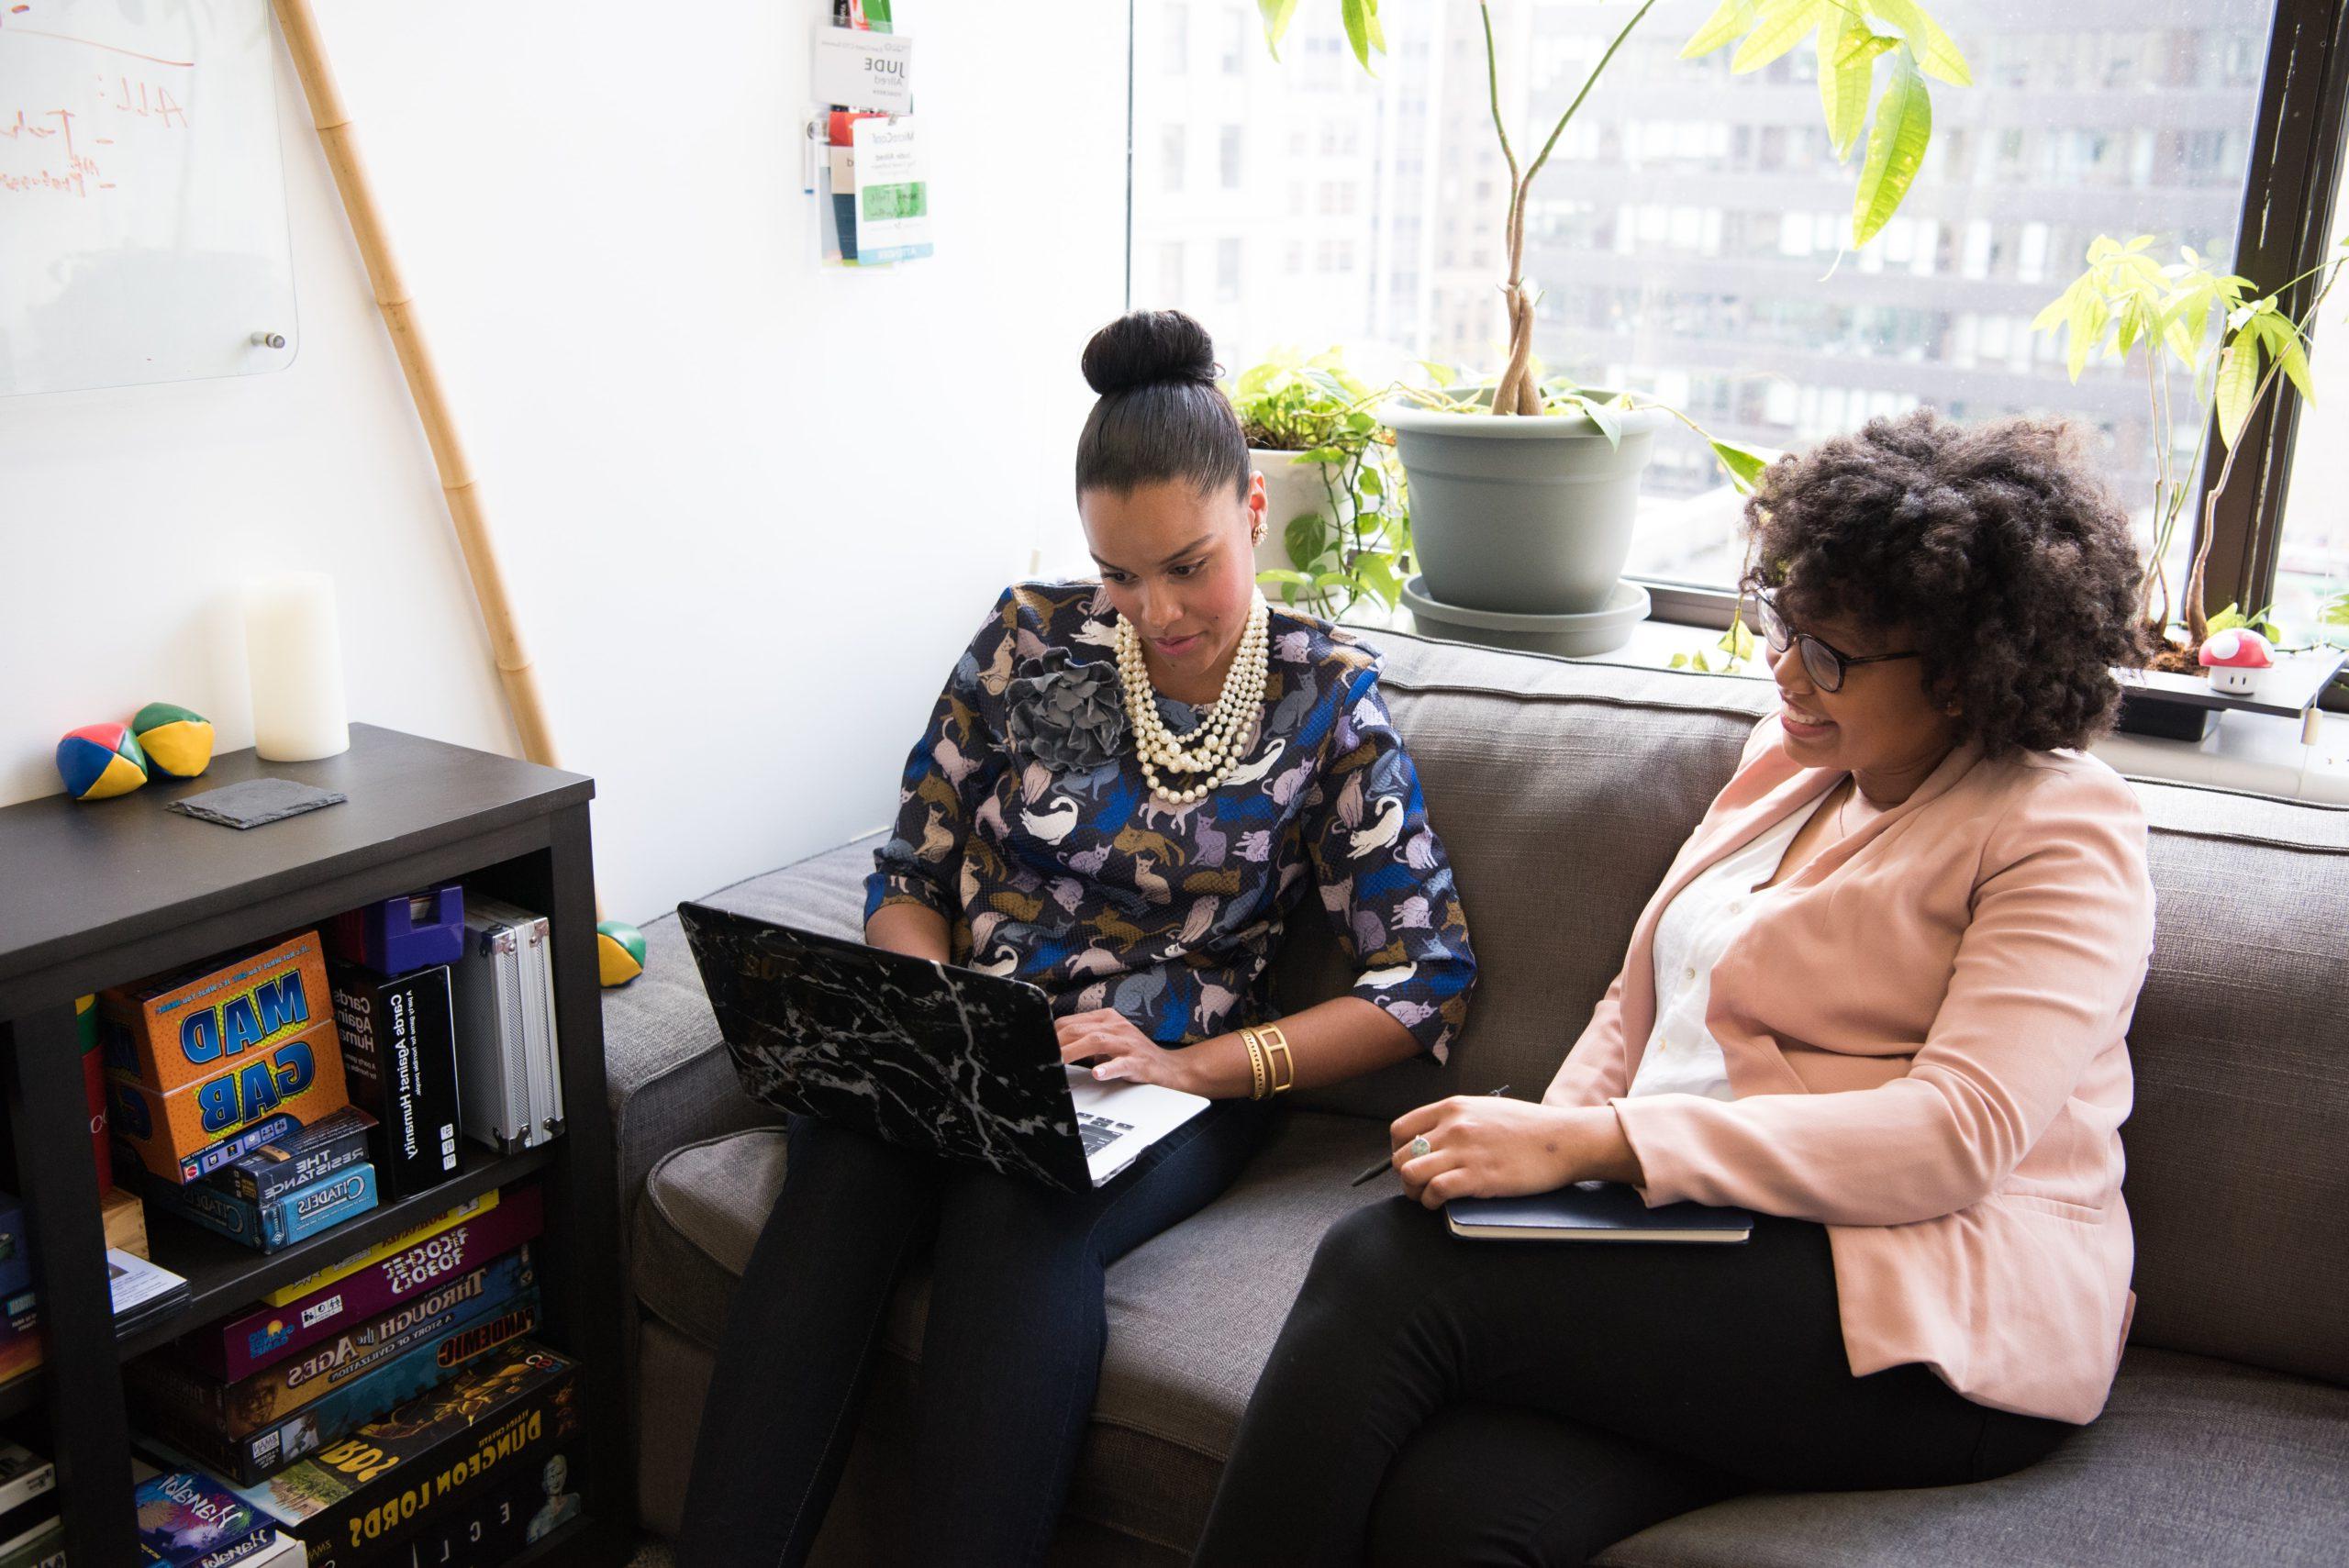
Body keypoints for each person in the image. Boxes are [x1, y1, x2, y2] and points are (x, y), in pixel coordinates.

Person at [1193, 409, 2156, 1567]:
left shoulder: (2060, 826)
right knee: (1454, 1513)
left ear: (1963, 673)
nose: (1785, 667)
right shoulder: (1792, 762)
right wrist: (1531, 1160)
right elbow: (1637, 1000)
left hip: (1929, 1313)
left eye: (1833, 652)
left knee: (1381, 1264)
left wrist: (1595, 1147)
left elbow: (1957, 1136)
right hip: (1715, 1247)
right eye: (1784, 620)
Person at [677, 307, 1477, 1567]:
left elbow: (1424, 982)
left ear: (1255, 511)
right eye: (1119, 572)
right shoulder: (1026, 641)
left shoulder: (1330, 702)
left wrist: (1194, 1066)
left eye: (1187, 564)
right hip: (973, 1040)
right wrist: (930, 1010)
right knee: (842, 1161)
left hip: (1160, 1078)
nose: (1153, 610)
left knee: (1017, 1201)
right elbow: (910, 868)